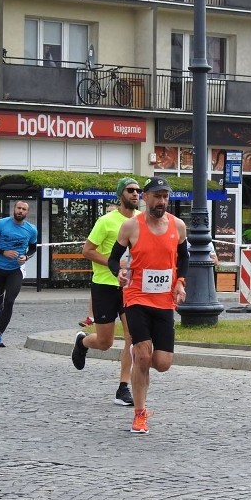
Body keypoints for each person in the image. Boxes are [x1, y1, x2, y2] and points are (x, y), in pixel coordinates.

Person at [106, 177, 188, 435]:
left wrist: (180, 283)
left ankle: (140, 360)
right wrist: (118, 273)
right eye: (156, 196)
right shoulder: (131, 227)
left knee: (162, 363)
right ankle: (139, 415)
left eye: (165, 196)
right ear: (146, 198)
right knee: (142, 355)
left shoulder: (178, 226)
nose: (161, 201)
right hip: (137, 297)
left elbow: (183, 256)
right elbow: (113, 258)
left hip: (164, 301)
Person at [71, 178, 142, 407]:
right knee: (105, 342)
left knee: (132, 337)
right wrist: (114, 263)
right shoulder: (106, 221)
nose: (135, 194)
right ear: (121, 194)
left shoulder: (142, 221)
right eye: (130, 190)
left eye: (138, 191)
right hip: (104, 285)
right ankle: (82, 343)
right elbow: (87, 250)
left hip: (131, 287)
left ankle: (123, 387)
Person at [0, 200, 38, 348]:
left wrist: (26, 257)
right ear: (14, 209)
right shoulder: (2, 224)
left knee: (9, 301)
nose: (20, 211)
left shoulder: (31, 229)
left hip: (16, 270)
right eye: (18, 208)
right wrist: (3, 252)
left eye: (24, 209)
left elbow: (33, 248)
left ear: (27, 212)